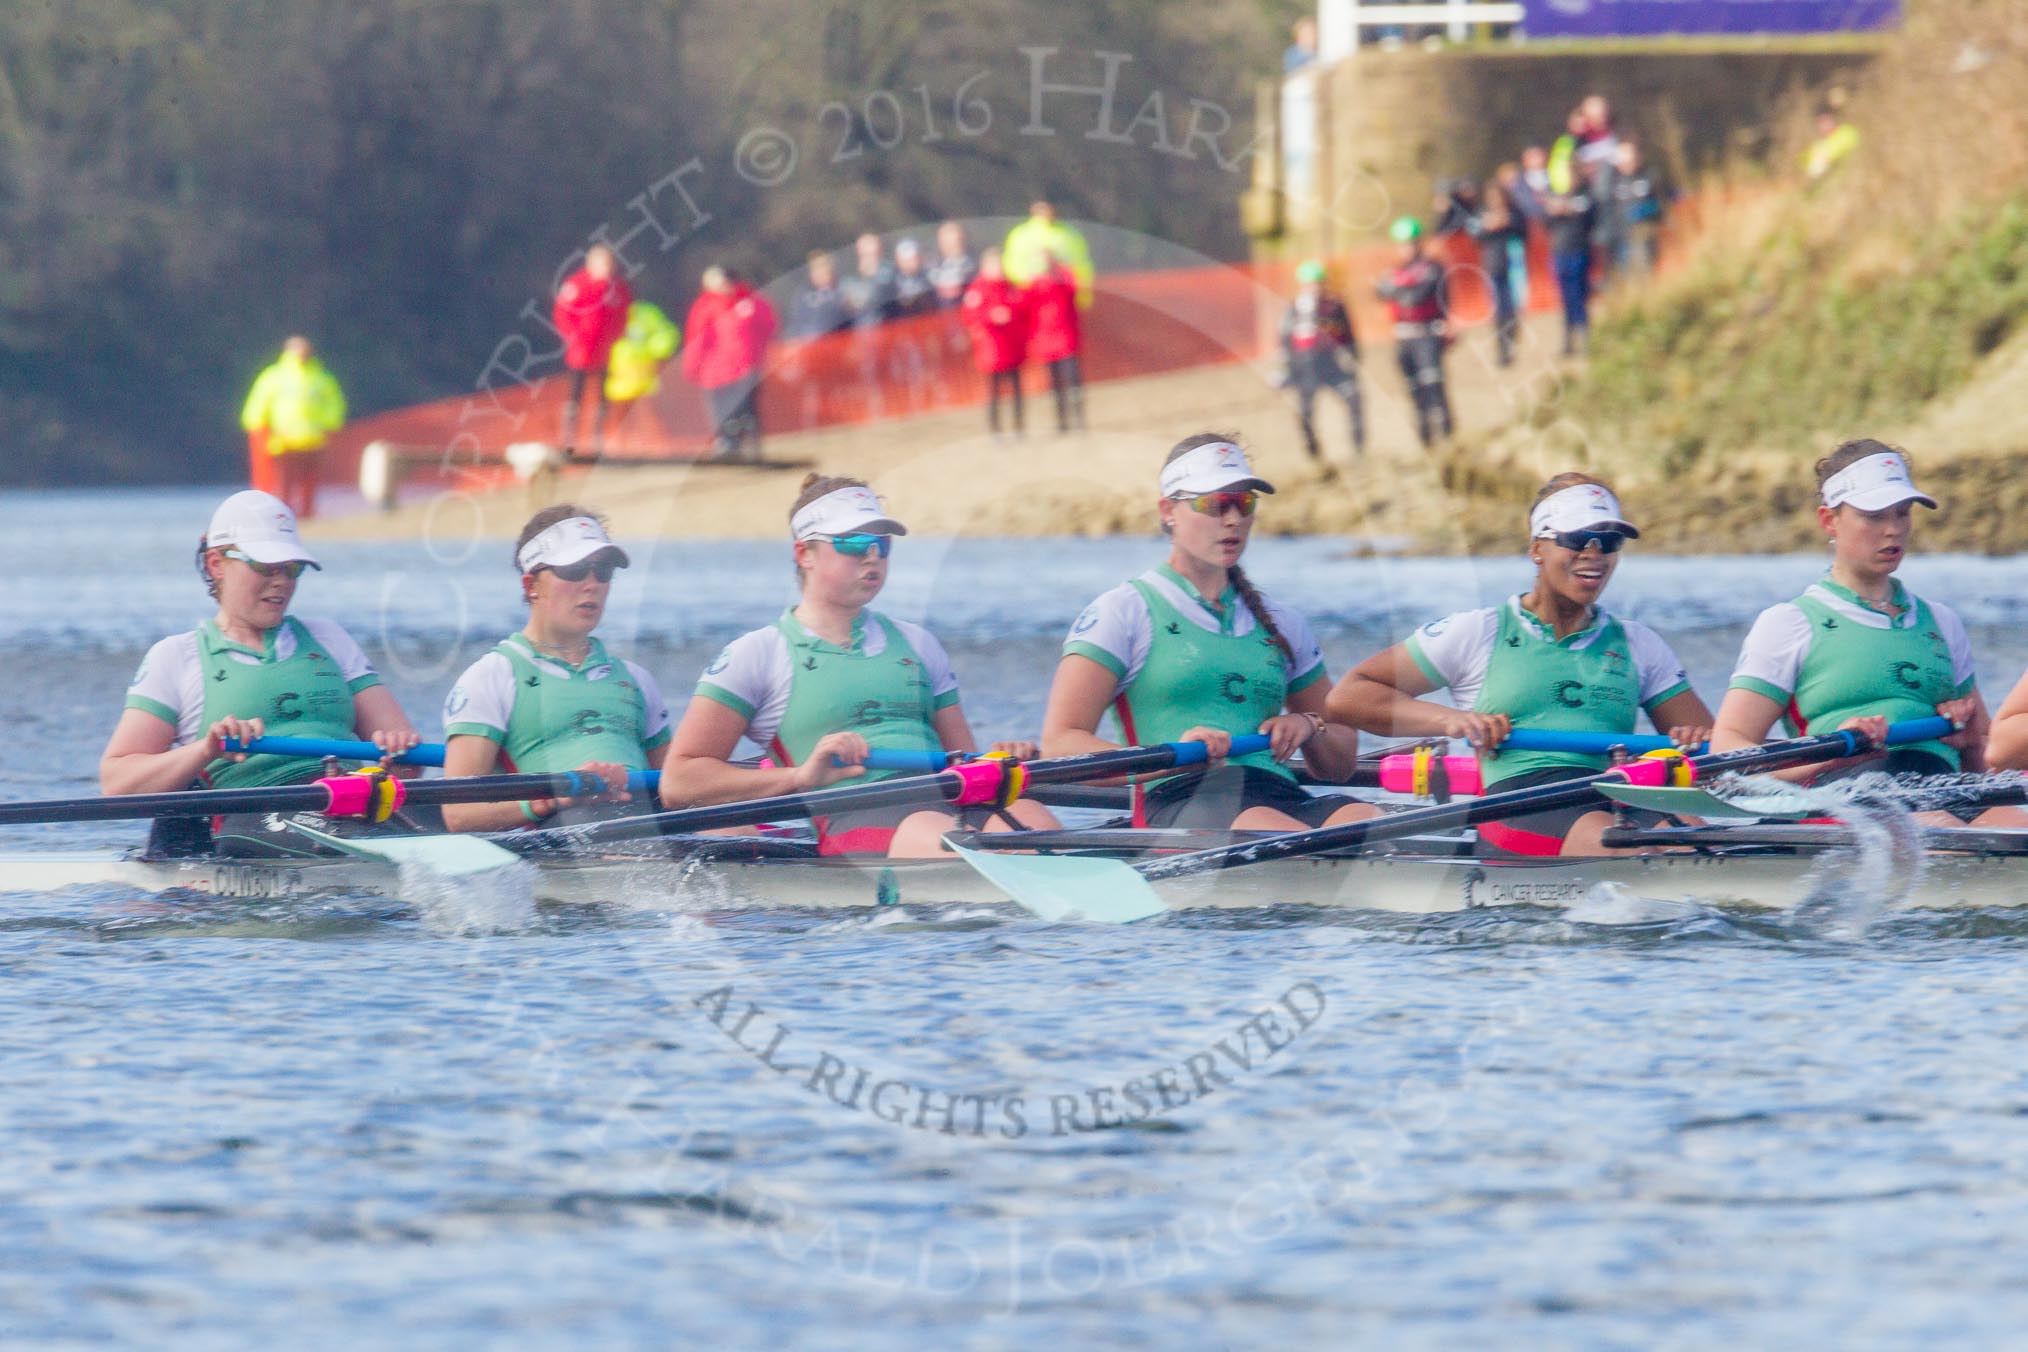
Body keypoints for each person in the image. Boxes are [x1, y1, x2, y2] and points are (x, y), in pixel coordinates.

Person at [660, 476, 1059, 857]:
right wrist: (799, 778)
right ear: (805, 554)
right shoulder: (758, 654)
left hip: (949, 802)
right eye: (854, 543)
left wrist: (1003, 758)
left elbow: (963, 760)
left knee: (1031, 818)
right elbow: (678, 782)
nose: (872, 556)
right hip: (857, 816)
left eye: (882, 544)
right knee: (944, 835)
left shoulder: (920, 644)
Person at [1328, 474, 1713, 857]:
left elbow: (1718, 748)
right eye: (1577, 540)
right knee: (1645, 844)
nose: (1594, 554)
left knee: (1701, 837)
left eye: (1609, 542)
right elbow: (1349, 696)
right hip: (1517, 805)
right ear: (1537, 549)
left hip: (1612, 795)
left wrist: (1697, 745)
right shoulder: (1477, 631)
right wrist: (1451, 721)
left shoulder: (1639, 644)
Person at [1042, 434, 1377, 833]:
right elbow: (1060, 745)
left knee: (1373, 820)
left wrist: (1309, 726)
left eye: (1244, 503)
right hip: (1180, 797)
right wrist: (1171, 755)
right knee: (1270, 826)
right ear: (1168, 511)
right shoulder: (1122, 612)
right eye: (1214, 504)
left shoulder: (1282, 622)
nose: (1233, 519)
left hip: (1278, 793)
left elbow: (1340, 763)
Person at [100, 491, 423, 855]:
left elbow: (408, 761)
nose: (282, 581)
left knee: (435, 827)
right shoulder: (176, 658)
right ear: (216, 564)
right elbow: (117, 781)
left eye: (291, 569)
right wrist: (206, 749)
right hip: (253, 811)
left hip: (348, 799)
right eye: (265, 567)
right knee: (369, 845)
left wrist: (401, 755)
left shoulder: (329, 638)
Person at [1710, 442, 2004, 811]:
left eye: (1902, 513)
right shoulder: (1789, 624)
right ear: (1828, 520)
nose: (1893, 530)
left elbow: (1982, 766)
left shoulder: (1942, 622)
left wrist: (1971, 742)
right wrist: (1827, 755)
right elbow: (1726, 751)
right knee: (1941, 832)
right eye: (1875, 516)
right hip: (1846, 799)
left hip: (1942, 791)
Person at [439, 506, 672, 832]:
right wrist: (555, 797)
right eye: (576, 570)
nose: (592, 584)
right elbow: (459, 815)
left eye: (603, 570)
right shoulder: (492, 677)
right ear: (531, 584)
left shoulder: (637, 680)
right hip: (558, 845)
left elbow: (681, 790)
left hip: (650, 832)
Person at [239, 336, 346, 520]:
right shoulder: (274, 377)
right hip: (284, 440)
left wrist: (329, 424)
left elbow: (335, 404)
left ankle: (307, 512)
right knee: (284, 483)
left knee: (309, 481)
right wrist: (257, 427)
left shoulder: (320, 378)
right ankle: (283, 514)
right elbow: (258, 403)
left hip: (313, 440)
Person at [681, 266, 778, 462]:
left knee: (747, 409)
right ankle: (728, 444)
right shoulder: (705, 306)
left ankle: (751, 444)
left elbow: (768, 324)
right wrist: (692, 366)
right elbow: (697, 338)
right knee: (723, 411)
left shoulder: (749, 300)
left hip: (746, 368)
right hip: (716, 372)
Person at [1375, 217, 1453, 446]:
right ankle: (1425, 435)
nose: (1407, 248)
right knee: (1414, 389)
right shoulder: (1394, 271)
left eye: (1411, 242)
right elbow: (1379, 292)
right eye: (1403, 244)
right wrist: (1398, 288)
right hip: (1404, 338)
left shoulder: (1432, 268)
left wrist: (1397, 289)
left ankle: (1448, 434)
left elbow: (1416, 296)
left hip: (1427, 334)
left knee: (1433, 385)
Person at [1278, 260, 1364, 461]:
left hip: (1332, 363)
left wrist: (1352, 360)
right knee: (1305, 411)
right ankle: (1314, 453)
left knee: (1354, 400)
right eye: (1310, 284)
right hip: (1305, 366)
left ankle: (1358, 451)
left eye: (1318, 283)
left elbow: (1350, 337)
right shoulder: (1293, 309)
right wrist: (1284, 370)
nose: (1315, 288)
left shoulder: (1335, 306)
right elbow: (1284, 342)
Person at [552, 244, 632, 455]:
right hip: (581, 349)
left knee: (602, 394)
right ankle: (570, 437)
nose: (607, 267)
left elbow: (622, 314)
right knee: (576, 392)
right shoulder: (576, 285)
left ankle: (598, 436)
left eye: (609, 263)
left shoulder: (617, 287)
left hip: (605, 349)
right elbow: (563, 313)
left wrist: (614, 337)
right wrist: (573, 337)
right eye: (603, 262)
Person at [959, 246, 1030, 438]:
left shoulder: (1010, 286)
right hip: (991, 349)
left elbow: (1023, 309)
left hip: (1012, 346)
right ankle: (996, 430)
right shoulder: (977, 289)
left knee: (1016, 390)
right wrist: (991, 317)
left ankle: (1019, 427)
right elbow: (970, 315)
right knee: (994, 392)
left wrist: (1011, 314)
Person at [1026, 250, 1086, 433]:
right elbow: (1026, 304)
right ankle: (1061, 422)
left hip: (1066, 338)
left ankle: (1079, 420)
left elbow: (1073, 291)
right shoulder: (1034, 282)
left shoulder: (1063, 275)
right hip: (1046, 340)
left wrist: (1054, 275)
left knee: (1073, 381)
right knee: (1055, 384)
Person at [602, 300, 681, 434]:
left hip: (646, 381)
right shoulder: (609, 314)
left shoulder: (647, 314)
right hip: (619, 383)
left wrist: (653, 349)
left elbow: (666, 335)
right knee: (620, 421)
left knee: (653, 418)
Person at [1468, 181, 1525, 366]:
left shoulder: (1514, 213)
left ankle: (1510, 342)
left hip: (1514, 268)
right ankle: (1502, 350)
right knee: (1499, 312)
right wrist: (1487, 227)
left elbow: (1525, 233)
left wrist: (1507, 223)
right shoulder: (1482, 215)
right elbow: (1474, 236)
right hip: (1493, 268)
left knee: (1512, 310)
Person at [1545, 164, 1598, 356]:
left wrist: (1568, 210)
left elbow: (1590, 218)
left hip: (1579, 251)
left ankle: (1585, 341)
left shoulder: (1585, 195)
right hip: (1559, 252)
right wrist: (1554, 210)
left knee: (1579, 298)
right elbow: (1547, 222)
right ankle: (1568, 343)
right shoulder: (1555, 197)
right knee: (1565, 300)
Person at [1002, 201, 1094, 309]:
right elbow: (1012, 264)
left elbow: (1081, 265)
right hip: (1029, 298)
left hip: (1062, 297)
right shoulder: (1021, 235)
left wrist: (1082, 294)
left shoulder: (1069, 234)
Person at [1610, 140, 1665, 279]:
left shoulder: (1650, 175)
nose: (1627, 163)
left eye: (1630, 158)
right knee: (1626, 274)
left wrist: (1645, 210)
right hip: (1623, 235)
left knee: (1645, 271)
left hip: (1644, 233)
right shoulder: (1614, 179)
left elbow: (1662, 204)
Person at [839, 233, 898, 331]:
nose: (869, 259)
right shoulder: (849, 278)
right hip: (860, 332)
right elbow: (844, 305)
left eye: (872, 254)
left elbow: (879, 295)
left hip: (886, 328)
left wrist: (871, 275)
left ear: (880, 252)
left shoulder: (889, 272)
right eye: (865, 254)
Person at [789, 252, 850, 338]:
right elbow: (798, 326)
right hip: (811, 346)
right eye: (814, 268)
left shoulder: (845, 289)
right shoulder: (802, 298)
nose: (819, 272)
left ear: (831, 269)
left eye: (822, 266)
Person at [927, 221, 978, 310]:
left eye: (956, 240)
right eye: (947, 241)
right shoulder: (931, 269)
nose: (953, 245)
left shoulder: (976, 265)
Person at [1803, 108, 1861, 182]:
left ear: (1833, 119)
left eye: (1827, 120)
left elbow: (1857, 153)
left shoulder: (1848, 132)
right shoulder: (1817, 146)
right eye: (1821, 122)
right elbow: (1808, 170)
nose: (1824, 125)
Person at [891, 239, 937, 318]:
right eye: (905, 260)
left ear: (919, 258)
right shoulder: (891, 282)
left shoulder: (930, 277)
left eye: (912, 259)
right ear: (898, 260)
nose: (909, 263)